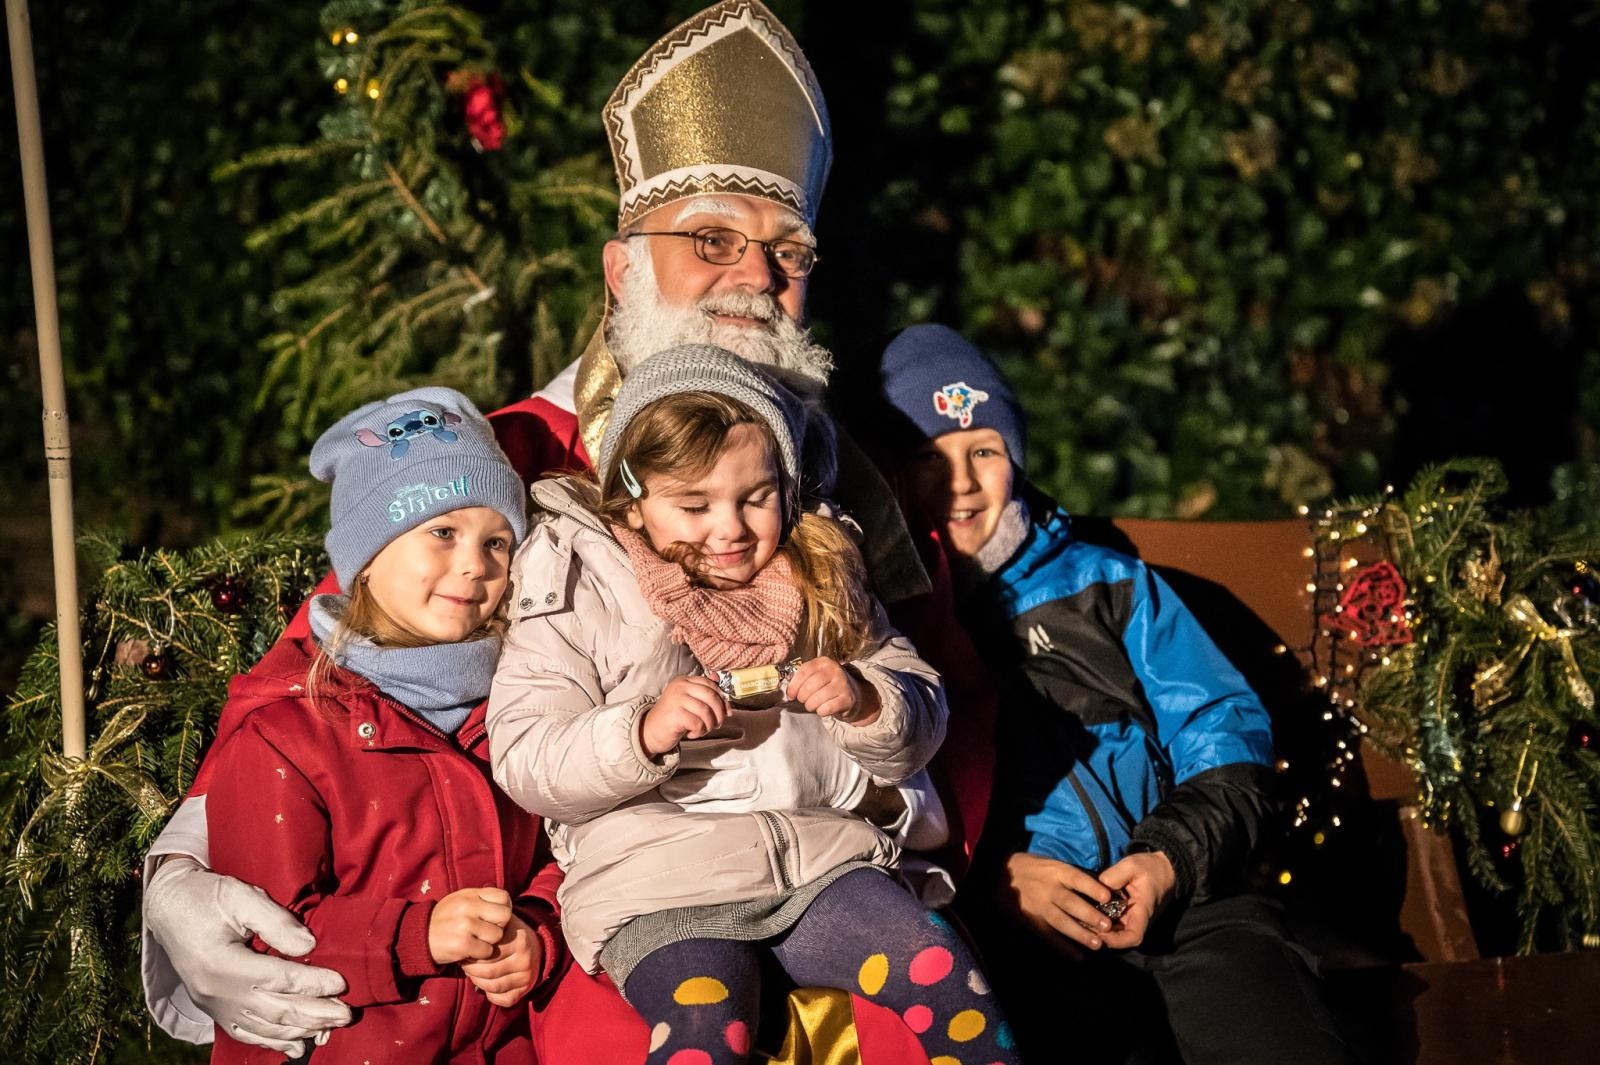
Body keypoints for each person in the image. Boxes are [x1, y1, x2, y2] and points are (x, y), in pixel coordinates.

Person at [141, 3, 997, 1059]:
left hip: (841, 875)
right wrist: (183, 870)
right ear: (620, 267)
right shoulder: (515, 458)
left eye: (788, 252)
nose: (755, 279)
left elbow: (951, 713)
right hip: (602, 906)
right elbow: (341, 666)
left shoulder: (854, 487)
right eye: (710, 240)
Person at [487, 344, 1016, 1065]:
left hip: (818, 859)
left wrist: (866, 702)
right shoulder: (578, 576)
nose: (730, 529)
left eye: (755, 497)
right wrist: (639, 732)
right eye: (694, 505)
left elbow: (918, 701)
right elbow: (526, 753)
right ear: (634, 501)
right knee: (707, 1028)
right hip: (659, 876)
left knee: (944, 973)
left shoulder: (820, 566)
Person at [875, 323, 1359, 1065]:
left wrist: (1169, 857)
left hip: (1187, 898)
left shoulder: (1110, 583)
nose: (962, 483)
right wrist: (998, 881)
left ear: (1017, 458)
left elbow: (1222, 728)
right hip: (1027, 929)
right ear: (894, 479)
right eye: (929, 458)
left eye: (984, 451)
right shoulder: (892, 622)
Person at [198, 387, 561, 1063]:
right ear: (368, 553)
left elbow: (558, 856)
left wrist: (535, 931)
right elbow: (264, 933)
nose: (474, 563)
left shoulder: (517, 710)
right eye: (442, 532)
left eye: (497, 541)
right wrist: (416, 933)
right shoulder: (289, 736)